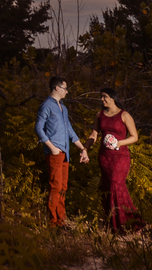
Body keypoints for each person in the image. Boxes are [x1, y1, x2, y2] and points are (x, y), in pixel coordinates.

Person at [87, 87, 144, 233]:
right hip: (104, 156)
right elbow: (94, 134)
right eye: (101, 97)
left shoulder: (124, 115)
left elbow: (134, 137)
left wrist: (118, 143)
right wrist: (85, 149)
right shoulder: (99, 115)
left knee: (116, 185)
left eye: (105, 96)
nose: (102, 100)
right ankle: (111, 222)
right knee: (106, 187)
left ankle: (128, 222)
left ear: (113, 98)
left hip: (120, 157)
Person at [35, 76, 89, 228]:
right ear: (57, 88)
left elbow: (69, 130)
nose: (67, 91)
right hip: (55, 153)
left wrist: (82, 148)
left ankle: (61, 220)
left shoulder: (63, 108)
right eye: (65, 88)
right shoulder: (46, 105)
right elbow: (38, 128)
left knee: (63, 187)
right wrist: (51, 147)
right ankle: (52, 223)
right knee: (56, 187)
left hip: (66, 153)